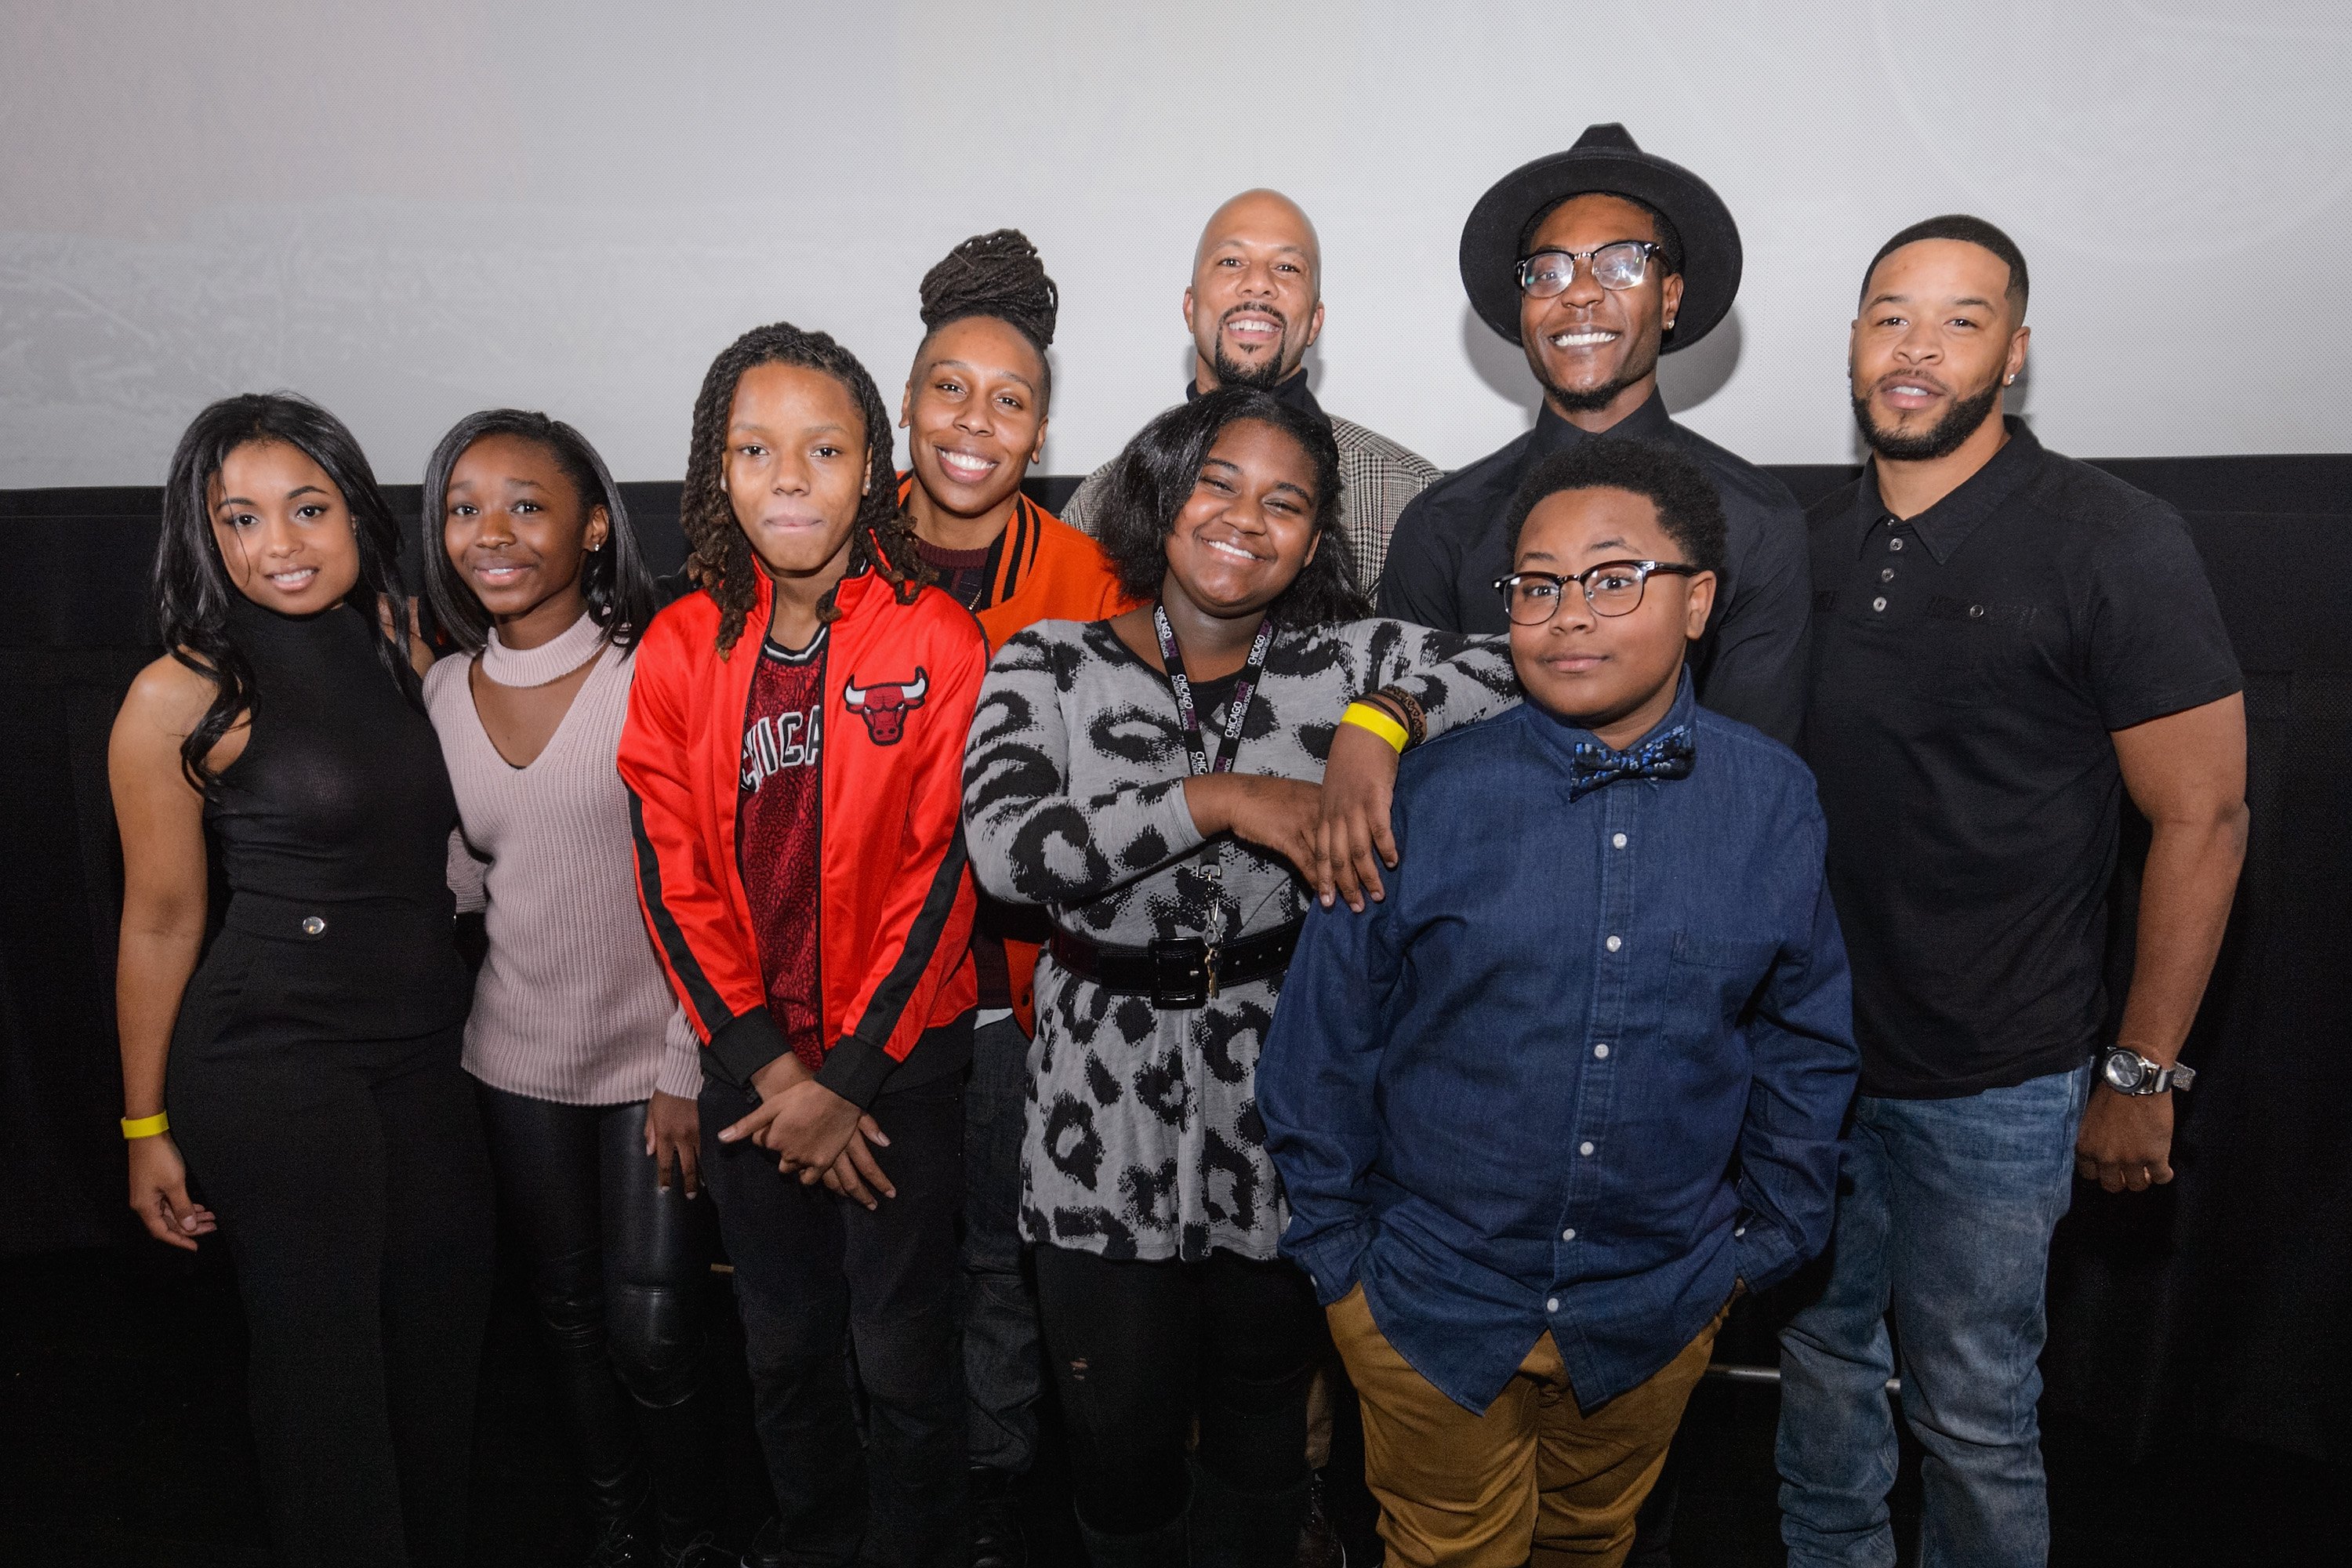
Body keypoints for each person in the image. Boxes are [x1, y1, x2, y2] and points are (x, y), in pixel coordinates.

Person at [1261, 438, 1857, 1566]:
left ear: (1699, 603)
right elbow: (1324, 1038)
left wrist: (1763, 1245)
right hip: (1429, 1300)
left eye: (1614, 578)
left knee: (1591, 1543)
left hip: (1656, 1305)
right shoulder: (1421, 795)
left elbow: (1804, 1040)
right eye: (1537, 585)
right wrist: (1343, 1265)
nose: (1569, 613)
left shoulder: (1774, 800)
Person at [960, 386, 1515, 1566]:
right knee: (1117, 1444)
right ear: (1166, 499)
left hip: (1283, 1096)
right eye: (1218, 484)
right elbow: (1011, 853)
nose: (1245, 519)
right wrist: (1219, 798)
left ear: (1313, 542)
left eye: (1285, 503)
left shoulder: (1347, 658)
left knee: (1265, 1437)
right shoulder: (1048, 662)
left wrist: (1382, 718)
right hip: (1096, 1104)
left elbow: (1530, 664)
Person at [1777, 216, 2249, 1568]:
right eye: (1890, 316)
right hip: (1808, 1068)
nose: (1916, 349)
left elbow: (2205, 816)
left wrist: (2141, 1074)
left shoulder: (2113, 539)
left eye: (1960, 320)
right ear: (1854, 344)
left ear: (2016, 353)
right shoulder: (1801, 546)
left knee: (1974, 1417)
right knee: (1818, 1379)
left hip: (1998, 1082)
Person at [619, 321, 989, 1568]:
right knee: (782, 1347)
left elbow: (945, 873)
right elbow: (670, 878)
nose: (789, 478)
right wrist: (776, 1074)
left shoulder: (937, 639)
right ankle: (821, 1541)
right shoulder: (679, 646)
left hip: (900, 1068)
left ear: (872, 467)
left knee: (902, 1351)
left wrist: (850, 1080)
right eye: (755, 450)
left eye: (823, 449)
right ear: (715, 470)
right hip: (754, 1073)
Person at [108, 393, 493, 1567]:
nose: (277, 543)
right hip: (273, 1058)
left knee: (441, 1350)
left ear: (357, 513)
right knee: (323, 1377)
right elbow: (161, 921)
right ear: (205, 533)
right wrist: (144, 1127)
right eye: (240, 518)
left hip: (428, 1049)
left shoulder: (404, 646)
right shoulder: (178, 693)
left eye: (307, 509)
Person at [419, 409, 727, 1566]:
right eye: (464, 508)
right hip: (514, 1059)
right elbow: (471, 872)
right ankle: (619, 1529)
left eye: (526, 505)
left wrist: (686, 1063)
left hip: (655, 1061)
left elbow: (711, 882)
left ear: (594, 527)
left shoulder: (655, 671)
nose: (490, 532)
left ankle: (691, 1536)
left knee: (655, 1333)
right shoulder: (442, 689)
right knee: (566, 1320)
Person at [893, 228, 1134, 1567]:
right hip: (855, 992)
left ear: (1041, 432)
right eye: (949, 388)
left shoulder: (1089, 581)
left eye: (1010, 399)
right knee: (877, 1262)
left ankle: (989, 1497)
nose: (974, 422)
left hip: (1012, 995)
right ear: (906, 402)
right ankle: (888, 1482)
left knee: (995, 1255)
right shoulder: (827, 553)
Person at [1379, 123, 1812, 749]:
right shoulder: (1443, 526)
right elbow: (1409, 756)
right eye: (1548, 271)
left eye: (1620, 264)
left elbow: (1752, 771)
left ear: (1670, 299)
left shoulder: (1757, 522)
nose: (1581, 292)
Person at [1059, 188, 1441, 587]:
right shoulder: (1098, 508)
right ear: (1190, 307)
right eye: (1231, 262)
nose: (1258, 283)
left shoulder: (1404, 497)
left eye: (1287, 268)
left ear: (1315, 322)